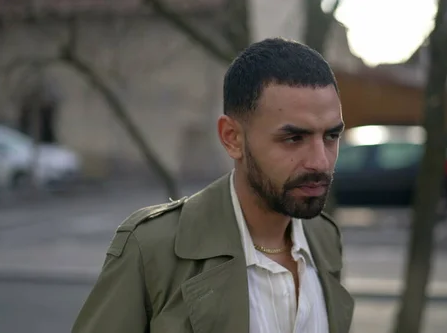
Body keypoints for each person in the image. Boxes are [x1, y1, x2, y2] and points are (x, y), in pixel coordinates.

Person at [72, 37, 354, 333]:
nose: (321, 162)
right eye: (294, 138)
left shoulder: (324, 237)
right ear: (232, 138)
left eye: (331, 137)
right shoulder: (153, 248)